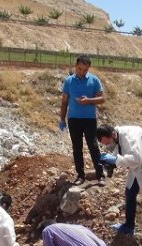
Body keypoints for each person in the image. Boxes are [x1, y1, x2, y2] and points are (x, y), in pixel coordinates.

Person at [97, 124, 142, 240]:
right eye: (105, 144)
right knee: (130, 192)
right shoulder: (116, 138)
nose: (108, 145)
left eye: (108, 142)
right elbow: (120, 153)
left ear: (113, 134)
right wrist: (111, 161)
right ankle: (129, 225)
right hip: (139, 165)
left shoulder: (130, 136)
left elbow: (135, 158)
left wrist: (115, 160)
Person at [60, 54, 106, 186]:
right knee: (77, 147)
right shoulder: (69, 81)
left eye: (85, 70)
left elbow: (102, 99)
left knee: (93, 146)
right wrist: (62, 120)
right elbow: (64, 102)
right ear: (76, 66)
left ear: (89, 68)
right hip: (73, 119)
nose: (82, 72)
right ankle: (80, 175)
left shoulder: (94, 80)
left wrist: (88, 101)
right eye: (79, 69)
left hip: (89, 119)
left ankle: (100, 175)